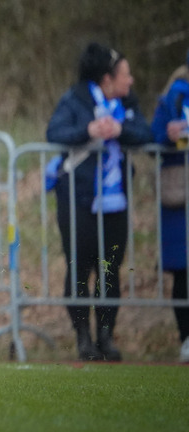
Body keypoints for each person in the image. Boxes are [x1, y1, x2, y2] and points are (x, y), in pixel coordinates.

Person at [45, 42, 151, 361]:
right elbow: (55, 132)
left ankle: (106, 337)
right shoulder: (75, 99)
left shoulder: (127, 103)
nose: (130, 80)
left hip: (115, 203)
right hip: (78, 199)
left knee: (110, 270)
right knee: (79, 269)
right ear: (107, 79)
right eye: (125, 74)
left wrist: (120, 129)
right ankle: (83, 338)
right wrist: (88, 129)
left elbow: (145, 133)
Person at [148, 51, 189, 363]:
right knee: (183, 273)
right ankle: (186, 338)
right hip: (180, 197)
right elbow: (153, 139)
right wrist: (169, 135)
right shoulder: (173, 98)